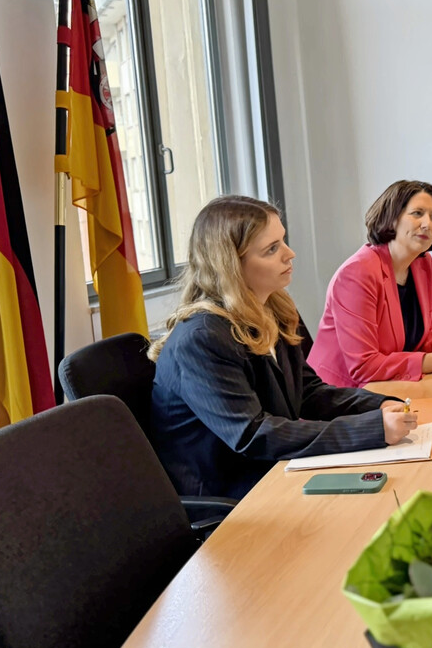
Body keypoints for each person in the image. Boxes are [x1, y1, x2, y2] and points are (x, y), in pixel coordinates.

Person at [149, 195, 417, 499]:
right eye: (272, 249)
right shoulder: (202, 338)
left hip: (274, 470)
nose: (290, 254)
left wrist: (376, 405)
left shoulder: (275, 307)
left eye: (283, 241)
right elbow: (252, 435)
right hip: (234, 497)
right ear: (231, 266)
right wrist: (370, 430)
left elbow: (308, 391)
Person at [308, 180, 432, 388]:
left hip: (393, 388)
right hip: (342, 397)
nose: (428, 223)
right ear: (392, 218)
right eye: (417, 213)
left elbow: (423, 337)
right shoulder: (357, 273)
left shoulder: (422, 264)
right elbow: (363, 366)